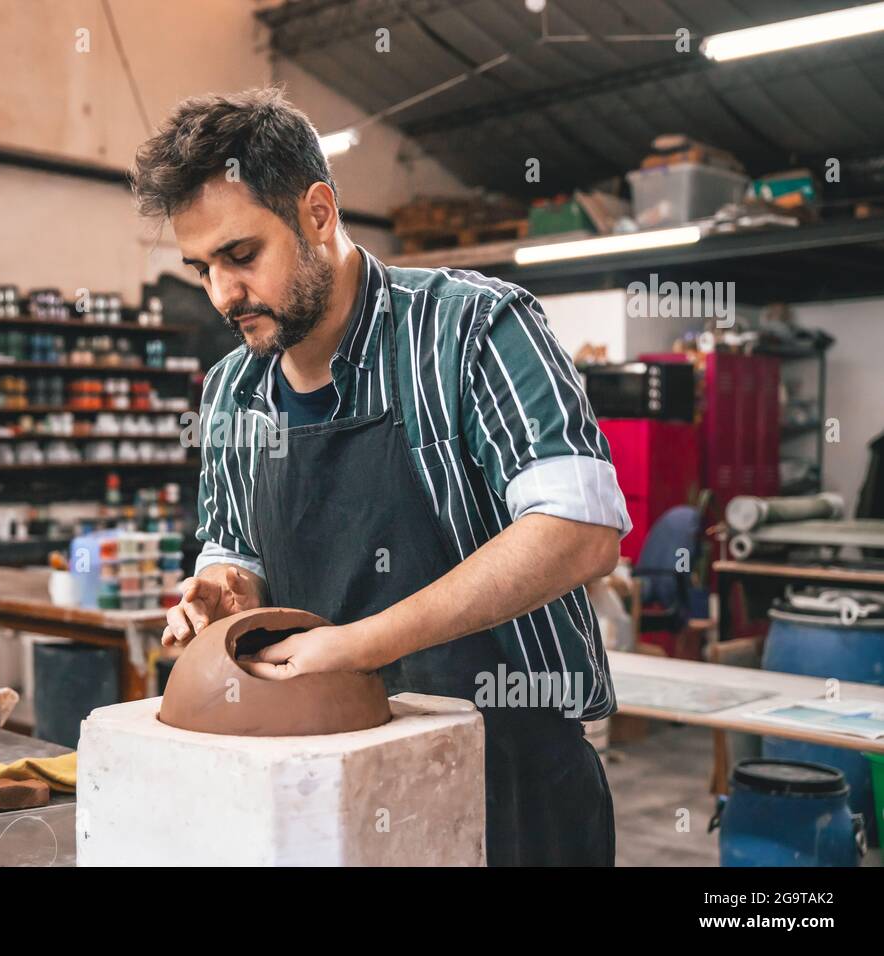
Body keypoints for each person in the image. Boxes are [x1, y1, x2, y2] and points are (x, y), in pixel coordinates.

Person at [131, 88, 629, 866]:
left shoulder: (474, 330)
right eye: (201, 269)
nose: (223, 295)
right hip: (321, 783)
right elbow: (235, 545)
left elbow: (580, 531)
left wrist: (359, 646)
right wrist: (231, 589)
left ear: (319, 213)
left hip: (512, 785)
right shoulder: (232, 390)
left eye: (241, 256)